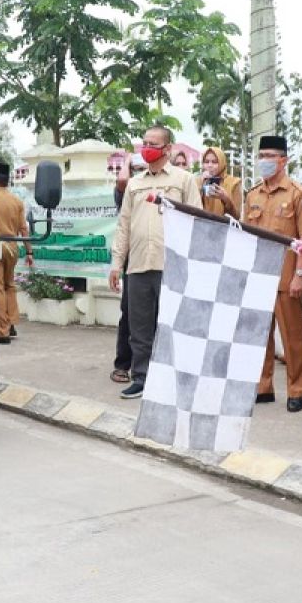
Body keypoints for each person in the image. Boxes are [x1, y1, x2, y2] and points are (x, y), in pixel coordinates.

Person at [109, 126, 202, 399]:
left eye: (153, 143)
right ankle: (141, 377)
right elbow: (124, 225)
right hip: (138, 266)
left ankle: (174, 382)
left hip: (171, 265)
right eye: (144, 143)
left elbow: (196, 221)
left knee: (172, 326)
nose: (146, 148)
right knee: (139, 327)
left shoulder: (184, 180)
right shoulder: (135, 184)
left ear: (167, 149)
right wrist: (117, 263)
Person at [245, 135, 302, 412]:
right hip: (258, 275)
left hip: (286, 276)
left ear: (283, 160)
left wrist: (300, 274)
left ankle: (296, 390)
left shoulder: (298, 193)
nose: (264, 161)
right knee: (260, 335)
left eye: (270, 156)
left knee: (293, 337)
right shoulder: (253, 194)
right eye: (261, 155)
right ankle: (264, 386)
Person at [111, 154, 147, 384]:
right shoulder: (130, 190)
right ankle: (123, 364)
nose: (142, 171)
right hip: (133, 263)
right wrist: (126, 162)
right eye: (138, 168)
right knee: (130, 315)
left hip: (159, 261)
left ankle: (148, 368)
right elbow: (122, 180)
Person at [0, 162, 32, 344]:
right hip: (13, 246)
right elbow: (24, 229)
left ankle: (2, 332)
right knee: (10, 285)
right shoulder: (17, 201)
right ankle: (11, 323)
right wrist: (29, 252)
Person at [198, 146, 243, 219]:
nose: (210, 165)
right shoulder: (200, 181)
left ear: (222, 162)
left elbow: (237, 216)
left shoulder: (234, 183)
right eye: (206, 162)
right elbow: (192, 207)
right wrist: (200, 183)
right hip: (204, 226)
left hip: (224, 227)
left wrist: (225, 198)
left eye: (214, 162)